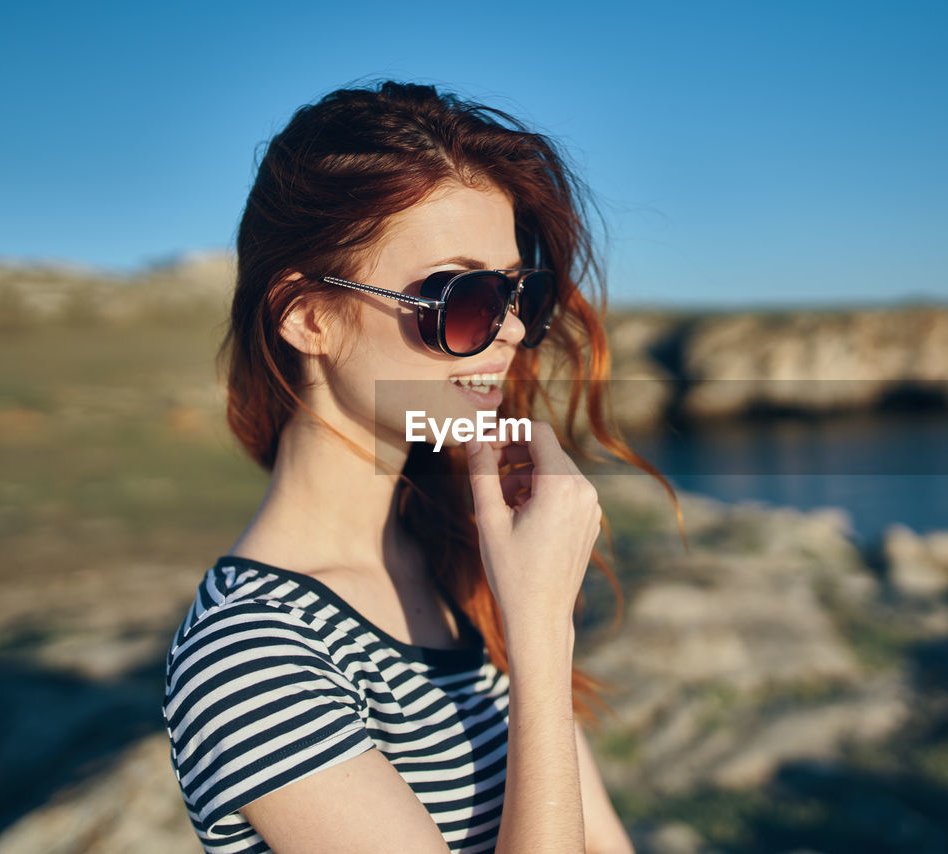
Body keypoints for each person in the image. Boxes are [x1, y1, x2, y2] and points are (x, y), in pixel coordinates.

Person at [162, 81, 678, 853]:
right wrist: (540, 631)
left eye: (517, 292)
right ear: (308, 316)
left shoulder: (457, 550)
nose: (508, 330)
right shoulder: (249, 656)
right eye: (461, 296)